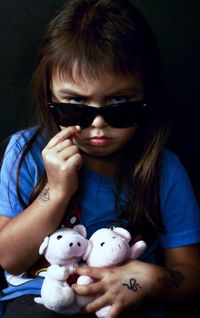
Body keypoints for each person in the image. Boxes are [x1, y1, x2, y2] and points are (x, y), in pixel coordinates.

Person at [0, 0, 200, 317]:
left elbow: (188, 275)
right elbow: (8, 258)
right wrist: (56, 189)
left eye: (120, 106)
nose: (98, 125)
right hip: (41, 298)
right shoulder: (26, 152)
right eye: (75, 108)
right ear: (50, 98)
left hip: (129, 300)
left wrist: (152, 279)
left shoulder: (164, 171)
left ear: (146, 97)